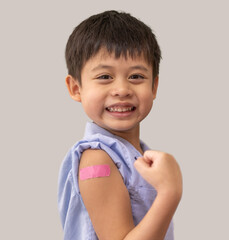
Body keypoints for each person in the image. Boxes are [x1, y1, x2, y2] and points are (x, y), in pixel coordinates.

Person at [58, 10, 182, 240]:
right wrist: (169, 193)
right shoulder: (97, 159)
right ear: (76, 88)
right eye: (105, 76)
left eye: (136, 76)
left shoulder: (138, 155)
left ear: (154, 86)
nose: (122, 89)